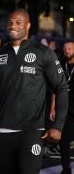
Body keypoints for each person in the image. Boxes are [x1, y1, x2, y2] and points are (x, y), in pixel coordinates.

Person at [0, 9, 68, 174]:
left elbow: (62, 88)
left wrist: (58, 126)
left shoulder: (43, 53)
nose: (13, 25)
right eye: (10, 22)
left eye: (18, 22)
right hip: (3, 130)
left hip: (31, 131)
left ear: (28, 25)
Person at [59, 42, 74, 174]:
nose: (66, 51)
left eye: (69, 48)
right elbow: (54, 88)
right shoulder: (60, 64)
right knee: (64, 140)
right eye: (65, 49)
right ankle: (66, 169)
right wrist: (53, 107)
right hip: (66, 108)